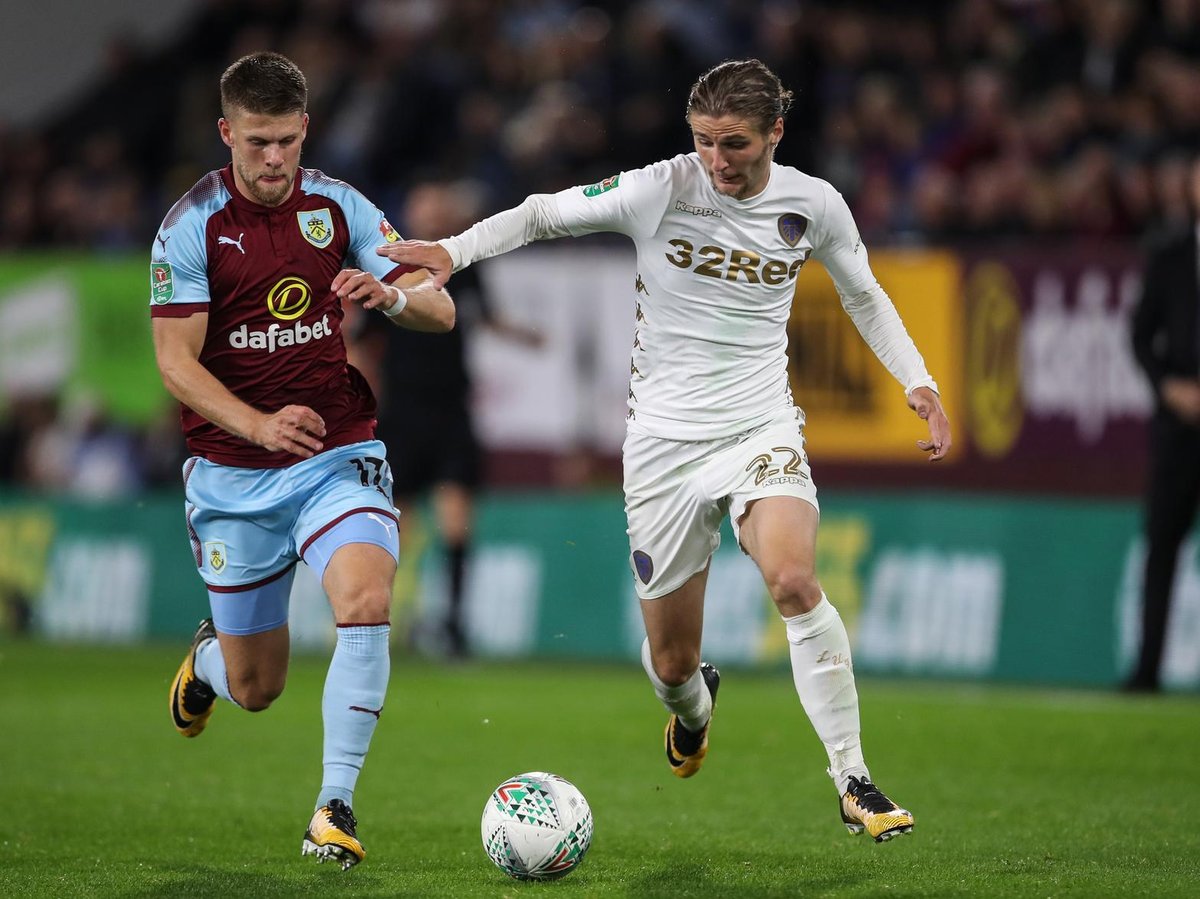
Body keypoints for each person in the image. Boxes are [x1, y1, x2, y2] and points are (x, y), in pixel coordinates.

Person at [378, 58, 950, 842]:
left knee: (791, 576)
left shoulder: (814, 204)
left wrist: (916, 378)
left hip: (760, 426)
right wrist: (453, 249)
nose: (717, 160)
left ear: (775, 133)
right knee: (674, 663)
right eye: (705, 141)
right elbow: (544, 213)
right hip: (661, 448)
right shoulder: (663, 188)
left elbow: (864, 293)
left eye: (736, 144)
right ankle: (693, 708)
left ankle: (854, 778)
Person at [151, 51, 454, 870]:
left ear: (306, 129)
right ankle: (208, 662)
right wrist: (255, 424)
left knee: (363, 595)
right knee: (257, 687)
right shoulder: (191, 226)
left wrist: (391, 296)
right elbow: (177, 365)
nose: (274, 157)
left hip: (336, 450)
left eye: (286, 139)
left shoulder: (342, 206)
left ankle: (334, 805)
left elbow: (443, 305)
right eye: (257, 142)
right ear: (227, 134)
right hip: (232, 473)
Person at [355, 180, 541, 658]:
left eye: (440, 207)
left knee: (458, 519)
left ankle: (455, 626)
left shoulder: (462, 267)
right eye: (426, 205)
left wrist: (522, 335)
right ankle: (387, 621)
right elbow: (363, 339)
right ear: (410, 214)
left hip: (452, 410)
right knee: (400, 523)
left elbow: (484, 317)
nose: (434, 214)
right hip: (404, 411)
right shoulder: (387, 270)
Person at [1127, 154, 1200, 693]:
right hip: (1178, 426)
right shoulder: (1170, 255)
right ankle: (1147, 671)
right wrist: (1167, 387)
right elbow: (1138, 335)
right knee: (1161, 547)